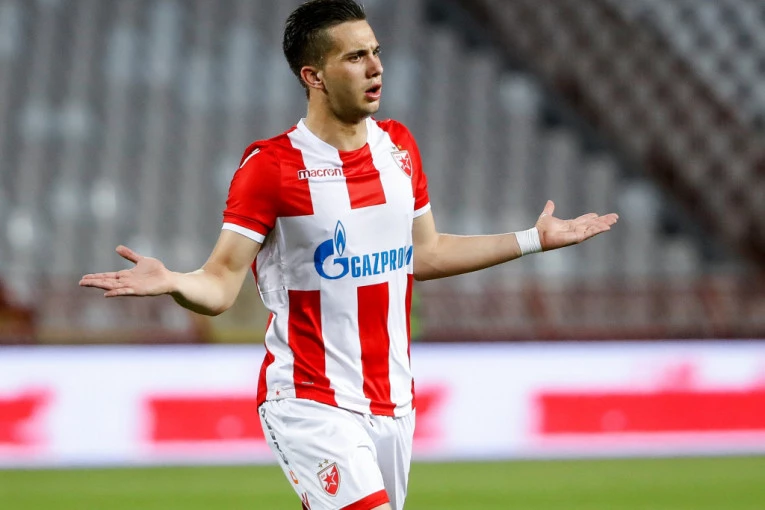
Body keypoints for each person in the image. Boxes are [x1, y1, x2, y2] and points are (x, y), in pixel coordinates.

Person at [80, 0, 619, 508]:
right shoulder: (271, 167)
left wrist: (532, 239)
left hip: (394, 402)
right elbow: (220, 285)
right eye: (356, 56)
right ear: (313, 76)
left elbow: (425, 253)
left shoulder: (398, 148)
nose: (376, 67)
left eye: (376, 52)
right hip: (308, 398)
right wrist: (175, 281)